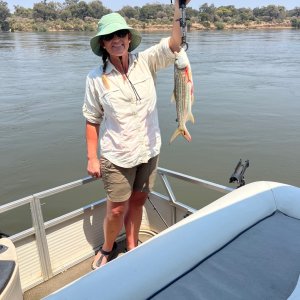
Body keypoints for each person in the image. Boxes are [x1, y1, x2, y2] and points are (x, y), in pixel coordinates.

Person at [83, 0, 191, 269]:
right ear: (104, 45)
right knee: (117, 208)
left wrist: (178, 8)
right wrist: (92, 158)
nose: (117, 40)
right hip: (117, 154)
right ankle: (108, 248)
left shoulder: (147, 62)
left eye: (121, 34)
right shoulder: (95, 78)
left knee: (139, 201)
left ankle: (132, 245)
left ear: (129, 38)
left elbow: (175, 44)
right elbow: (91, 120)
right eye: (110, 37)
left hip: (149, 149)